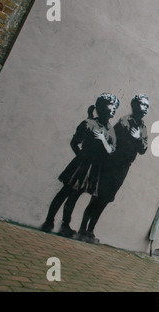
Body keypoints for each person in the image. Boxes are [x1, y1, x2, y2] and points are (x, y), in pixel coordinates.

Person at [41, 93, 120, 237]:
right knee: (64, 193)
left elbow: (111, 150)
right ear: (102, 106)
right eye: (111, 105)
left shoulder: (110, 130)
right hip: (80, 165)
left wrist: (103, 140)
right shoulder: (89, 123)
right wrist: (81, 156)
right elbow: (74, 142)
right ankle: (49, 221)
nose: (114, 109)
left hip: (92, 168)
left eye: (116, 106)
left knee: (74, 197)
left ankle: (65, 224)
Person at [77, 94, 149, 243]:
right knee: (97, 197)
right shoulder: (124, 121)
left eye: (147, 105)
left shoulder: (143, 127)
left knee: (106, 199)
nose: (146, 108)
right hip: (111, 165)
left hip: (123, 169)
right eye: (144, 105)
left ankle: (90, 230)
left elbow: (143, 148)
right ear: (136, 105)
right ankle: (83, 229)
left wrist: (137, 139)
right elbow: (113, 140)